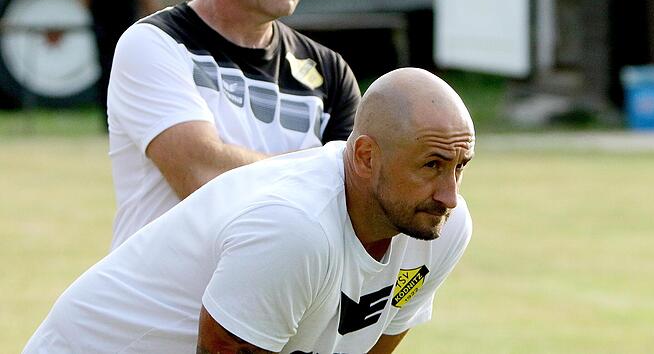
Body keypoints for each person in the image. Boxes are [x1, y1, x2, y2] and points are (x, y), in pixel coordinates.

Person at [23, 68, 475, 354]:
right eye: (431, 166)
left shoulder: (439, 228)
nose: (449, 195)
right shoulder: (296, 228)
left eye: (460, 167)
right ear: (364, 157)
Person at [106, 0, 361, 248]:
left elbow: (357, 205)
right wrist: (325, 174)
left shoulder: (328, 72)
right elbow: (204, 177)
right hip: (162, 303)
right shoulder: (155, 44)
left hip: (279, 301)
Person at [85, 0, 153, 121]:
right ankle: (106, 116)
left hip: (128, 26)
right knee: (107, 69)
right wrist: (94, 15)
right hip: (104, 27)